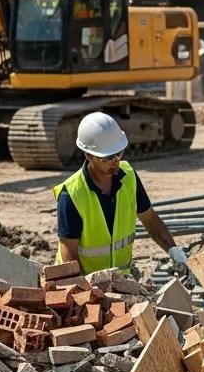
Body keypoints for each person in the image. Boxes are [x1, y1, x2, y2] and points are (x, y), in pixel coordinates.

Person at [54, 111, 188, 276]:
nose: (116, 160)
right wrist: (89, 294)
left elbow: (150, 219)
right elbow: (69, 255)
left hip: (118, 282)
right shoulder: (71, 194)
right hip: (80, 284)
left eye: (119, 153)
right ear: (88, 155)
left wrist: (173, 250)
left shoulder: (128, 176)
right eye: (108, 157)